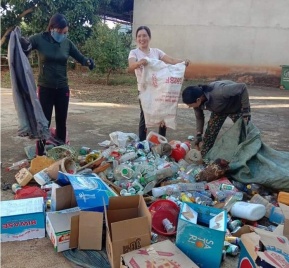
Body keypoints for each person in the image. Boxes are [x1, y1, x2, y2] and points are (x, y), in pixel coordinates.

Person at [20, 13, 95, 155]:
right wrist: (20, 42)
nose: (62, 34)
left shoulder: (67, 43)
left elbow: (80, 57)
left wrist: (88, 62)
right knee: (44, 123)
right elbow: (25, 46)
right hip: (45, 88)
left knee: (62, 121)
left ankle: (61, 153)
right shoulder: (39, 39)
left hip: (62, 88)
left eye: (65, 32)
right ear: (52, 28)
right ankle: (40, 154)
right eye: (60, 32)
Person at [128, 25, 189, 141]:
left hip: (159, 88)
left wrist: (183, 62)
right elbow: (131, 67)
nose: (142, 38)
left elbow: (171, 61)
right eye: (139, 36)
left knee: (163, 114)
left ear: (149, 37)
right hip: (144, 89)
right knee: (145, 116)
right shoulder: (134, 52)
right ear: (137, 39)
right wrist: (141, 62)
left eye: (144, 35)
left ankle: (161, 140)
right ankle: (142, 143)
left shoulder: (156, 52)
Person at [182, 80, 251, 157]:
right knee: (209, 135)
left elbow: (242, 87)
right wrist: (199, 134)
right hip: (219, 110)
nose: (189, 107)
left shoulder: (219, 91)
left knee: (244, 132)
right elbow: (199, 118)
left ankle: (245, 156)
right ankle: (205, 158)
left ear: (198, 99)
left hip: (236, 107)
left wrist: (246, 110)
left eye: (190, 105)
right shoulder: (197, 104)